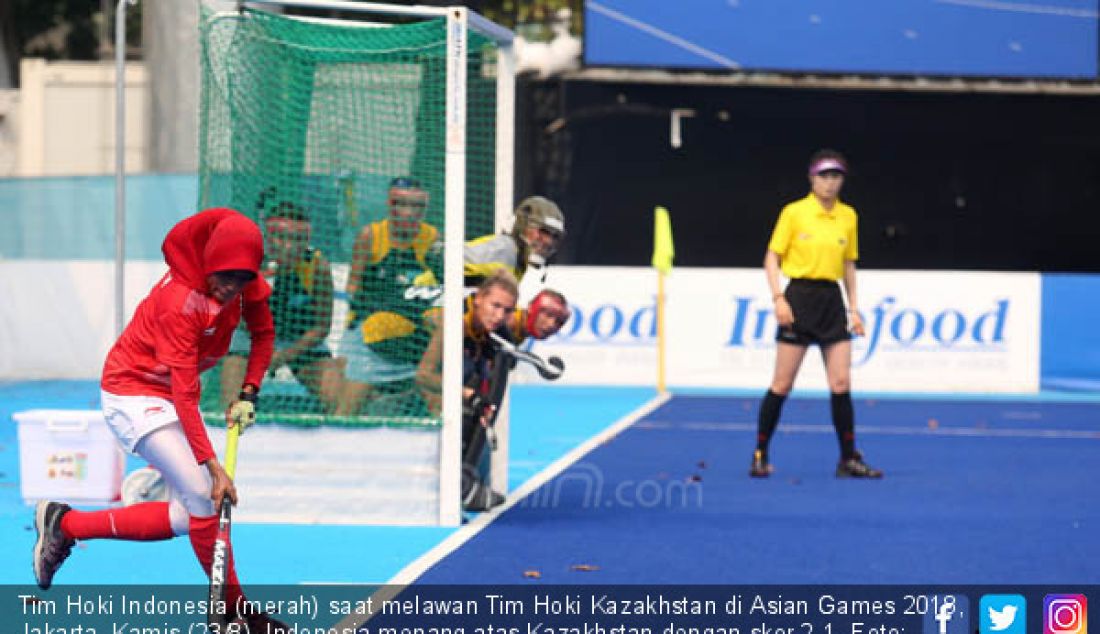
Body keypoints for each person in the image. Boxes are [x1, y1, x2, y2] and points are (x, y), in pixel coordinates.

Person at [30, 208, 289, 632]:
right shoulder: (180, 302)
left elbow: (263, 335)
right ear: (208, 262)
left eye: (241, 278)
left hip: (167, 396)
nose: (230, 288)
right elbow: (185, 394)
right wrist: (213, 466)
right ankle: (237, 612)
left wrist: (249, 393)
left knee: (191, 516)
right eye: (224, 275)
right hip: (132, 393)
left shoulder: (241, 289)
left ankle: (65, 524)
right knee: (206, 495)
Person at [751, 149, 883, 479]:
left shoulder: (848, 216)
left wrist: (854, 309)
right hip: (799, 297)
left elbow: (849, 265)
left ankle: (848, 458)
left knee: (841, 382)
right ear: (812, 179)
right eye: (824, 175)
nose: (830, 182)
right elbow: (772, 258)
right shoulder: (795, 213)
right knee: (782, 384)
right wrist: (779, 298)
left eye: (836, 176)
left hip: (831, 301)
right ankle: (760, 453)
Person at [221, 200, 342, 413]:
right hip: (251, 337)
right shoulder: (249, 262)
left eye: (298, 239)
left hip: (299, 339)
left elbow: (322, 327)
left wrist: (285, 354)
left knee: (337, 397)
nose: (289, 246)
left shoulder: (317, 266)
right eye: (282, 238)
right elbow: (234, 319)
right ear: (268, 238)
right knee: (232, 405)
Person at [336, 176, 442, 416]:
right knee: (342, 406)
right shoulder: (370, 236)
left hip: (410, 329)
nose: (408, 213)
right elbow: (353, 284)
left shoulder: (432, 237)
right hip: (366, 327)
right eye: (401, 204)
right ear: (389, 204)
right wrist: (372, 303)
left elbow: (437, 285)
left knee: (437, 397)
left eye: (417, 206)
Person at [464, 195, 565, 286]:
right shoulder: (505, 250)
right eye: (544, 231)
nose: (549, 241)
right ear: (523, 224)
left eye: (555, 236)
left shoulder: (518, 261)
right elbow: (451, 259)